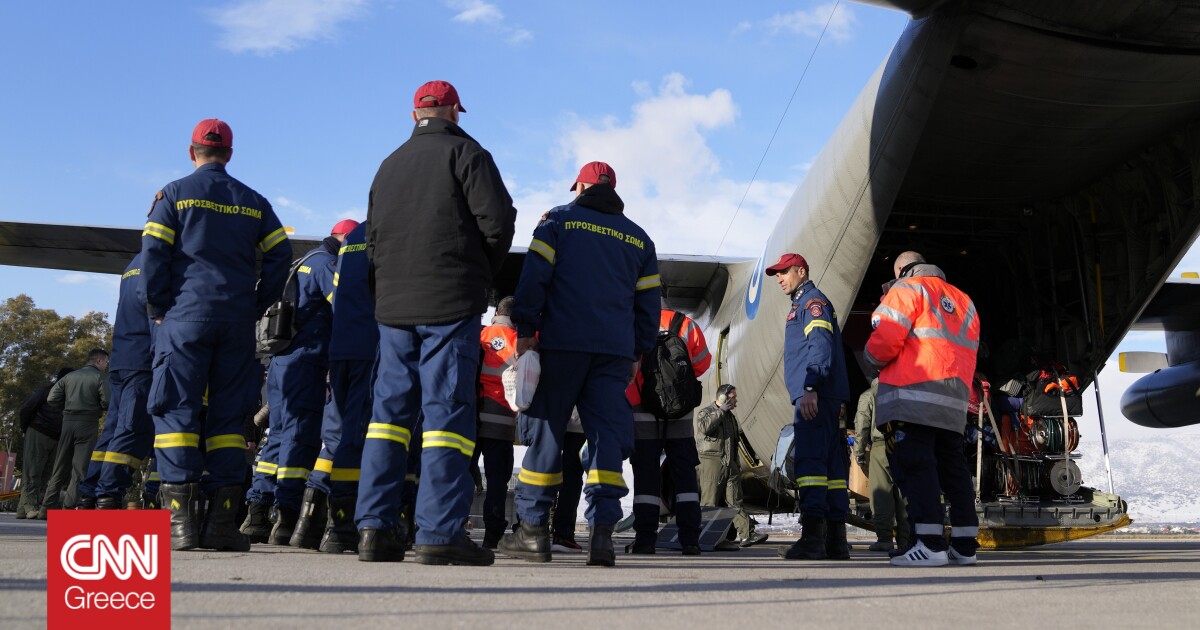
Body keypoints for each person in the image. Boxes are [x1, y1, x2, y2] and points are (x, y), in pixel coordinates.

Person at [357, 80, 516, 565]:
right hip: (449, 304)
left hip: (393, 309)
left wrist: (385, 292)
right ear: (454, 112)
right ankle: (439, 532)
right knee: (446, 416)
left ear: (414, 115)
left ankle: (374, 529)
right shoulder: (468, 155)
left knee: (387, 420)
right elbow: (498, 224)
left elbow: (372, 239)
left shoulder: (388, 165)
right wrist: (478, 276)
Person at [140, 118, 292, 551]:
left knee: (176, 414)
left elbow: (153, 253)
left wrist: (157, 307)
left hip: (184, 318)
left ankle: (181, 526)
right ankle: (221, 525)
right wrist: (258, 303)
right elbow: (281, 253)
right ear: (229, 155)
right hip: (236, 322)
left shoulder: (173, 194)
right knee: (227, 421)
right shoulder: (254, 201)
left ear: (192, 152)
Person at [500, 161, 659, 567]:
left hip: (561, 344)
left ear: (582, 187)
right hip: (613, 353)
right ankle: (602, 535)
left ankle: (533, 530)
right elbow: (648, 306)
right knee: (606, 440)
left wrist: (526, 329)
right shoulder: (640, 239)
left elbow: (534, 277)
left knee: (547, 434)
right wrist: (637, 352)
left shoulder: (558, 220)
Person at [865, 251, 981, 567]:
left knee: (917, 468)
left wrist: (870, 359)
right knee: (954, 471)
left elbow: (884, 340)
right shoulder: (964, 301)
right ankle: (965, 546)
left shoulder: (906, 289)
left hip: (913, 398)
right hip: (953, 402)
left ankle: (930, 545)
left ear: (902, 270)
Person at [767, 253, 852, 561]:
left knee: (811, 465)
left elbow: (819, 345)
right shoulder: (806, 303)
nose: (779, 278)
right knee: (832, 469)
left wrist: (810, 387)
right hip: (826, 396)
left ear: (801, 272)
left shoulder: (811, 303)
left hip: (816, 396)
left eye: (784, 272)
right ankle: (836, 541)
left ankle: (813, 539)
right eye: (777, 274)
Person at [273, 219, 353, 548]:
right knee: (300, 435)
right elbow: (343, 304)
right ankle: (289, 515)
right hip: (306, 359)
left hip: (282, 359)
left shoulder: (301, 260)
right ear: (344, 239)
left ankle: (263, 513)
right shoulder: (326, 263)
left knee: (278, 436)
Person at [299, 221, 376, 554]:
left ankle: (306, 527)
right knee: (355, 435)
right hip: (368, 348)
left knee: (334, 437)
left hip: (339, 349)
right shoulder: (382, 234)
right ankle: (340, 528)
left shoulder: (348, 246)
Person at [626, 308, 710, 556]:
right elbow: (702, 363)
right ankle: (690, 540)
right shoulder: (686, 324)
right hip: (679, 413)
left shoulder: (631, 320)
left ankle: (645, 540)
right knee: (684, 477)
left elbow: (623, 365)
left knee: (646, 478)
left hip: (642, 412)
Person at [89, 253, 157, 510]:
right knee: (132, 428)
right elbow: (157, 312)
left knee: (113, 430)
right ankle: (108, 494)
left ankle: (89, 494)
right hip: (142, 359)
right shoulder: (159, 260)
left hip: (121, 359)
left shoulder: (132, 265)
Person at [695, 384, 768, 548]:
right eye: (733, 397)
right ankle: (705, 538)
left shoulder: (730, 417)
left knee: (735, 501)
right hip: (712, 462)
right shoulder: (706, 412)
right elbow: (705, 428)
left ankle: (747, 535)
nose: (736, 401)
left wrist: (735, 464)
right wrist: (720, 411)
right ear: (722, 398)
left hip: (730, 464)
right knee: (710, 501)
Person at [41, 349, 110, 513]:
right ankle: (69, 507)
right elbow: (107, 402)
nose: (107, 366)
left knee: (59, 466)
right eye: (106, 362)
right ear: (99, 361)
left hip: (67, 422)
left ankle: (46, 507)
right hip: (88, 424)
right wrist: (97, 408)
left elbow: (51, 398)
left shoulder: (69, 377)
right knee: (80, 469)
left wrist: (66, 408)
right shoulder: (101, 377)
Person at [476, 296, 519, 550]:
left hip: (473, 418)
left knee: (463, 473)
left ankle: (454, 526)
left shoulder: (480, 335)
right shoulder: (520, 340)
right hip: (502, 422)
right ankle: (492, 535)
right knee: (497, 480)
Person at [852, 378, 910, 552]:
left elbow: (862, 425)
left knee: (881, 494)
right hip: (904, 445)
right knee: (904, 495)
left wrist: (859, 452)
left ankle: (884, 539)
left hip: (881, 446)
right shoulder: (905, 391)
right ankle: (905, 540)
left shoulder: (869, 395)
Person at [16, 367, 72, 519]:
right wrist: (26, 429)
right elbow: (27, 408)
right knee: (32, 472)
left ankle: (22, 509)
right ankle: (30, 508)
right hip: (38, 431)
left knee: (45, 474)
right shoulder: (47, 391)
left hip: (56, 437)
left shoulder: (70, 396)